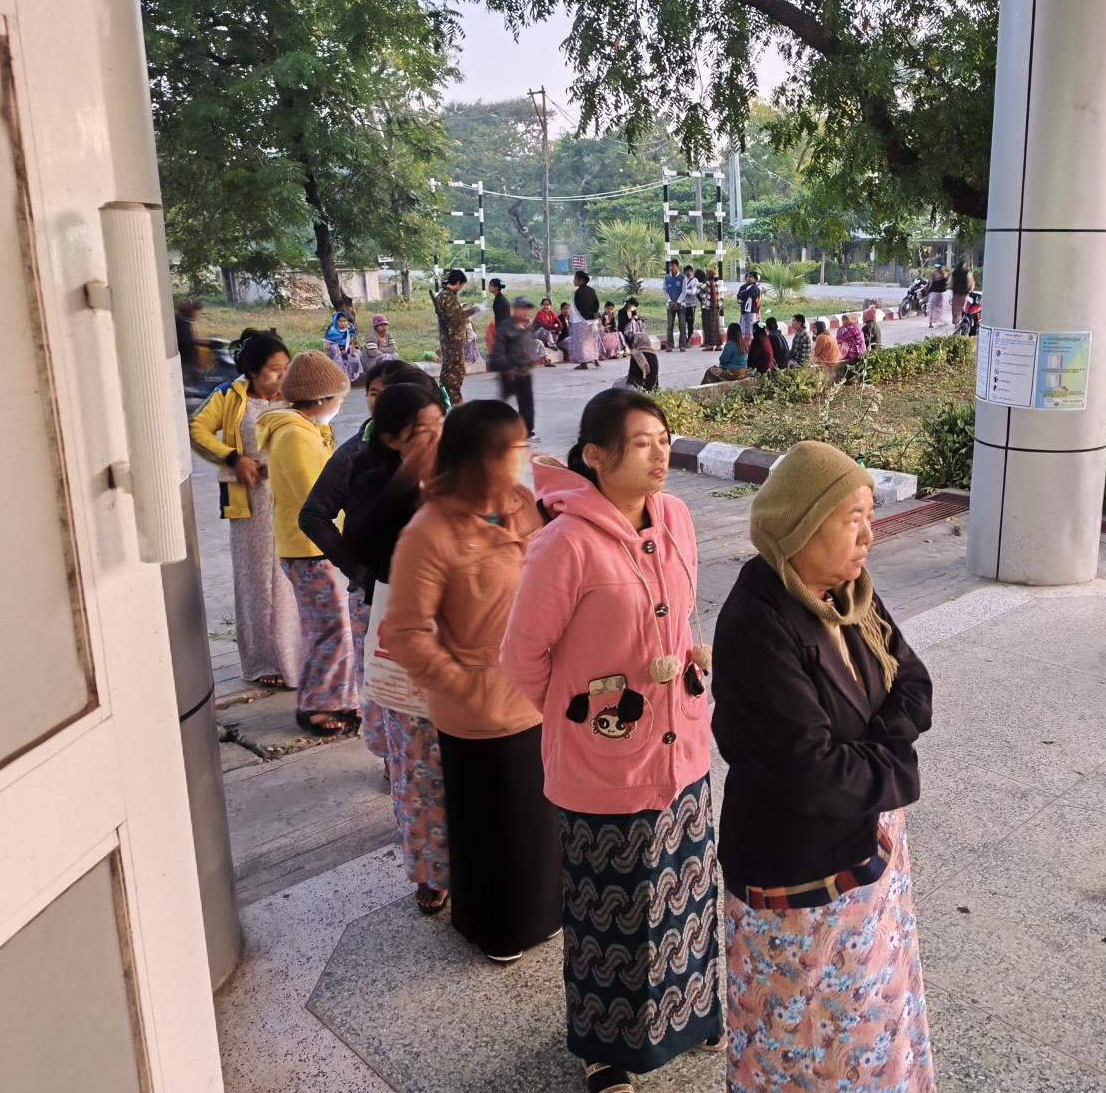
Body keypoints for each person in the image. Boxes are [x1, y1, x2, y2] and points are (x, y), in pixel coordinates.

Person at [501, 390, 721, 1093]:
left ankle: (691, 1013)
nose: (661, 453)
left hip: (682, 748)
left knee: (685, 894)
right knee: (612, 913)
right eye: (642, 442)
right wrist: (584, 715)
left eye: (664, 438)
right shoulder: (564, 543)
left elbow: (679, 617)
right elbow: (522, 657)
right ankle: (607, 1051)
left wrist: (687, 663)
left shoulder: (677, 517)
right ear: (596, 456)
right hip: (605, 765)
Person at [713, 441, 936, 1092]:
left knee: (872, 1021)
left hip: (865, 846)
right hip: (799, 876)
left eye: (871, 515)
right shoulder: (758, 621)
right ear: (800, 525)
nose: (869, 535)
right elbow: (811, 771)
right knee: (804, 1044)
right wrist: (894, 763)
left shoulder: (849, 593)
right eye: (852, 519)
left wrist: (878, 751)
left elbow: (913, 683)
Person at [388, 399, 562, 959]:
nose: (520, 456)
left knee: (538, 822)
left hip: (536, 694)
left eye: (521, 444)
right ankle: (498, 930)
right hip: (479, 715)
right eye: (508, 449)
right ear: (474, 457)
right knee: (494, 828)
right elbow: (405, 631)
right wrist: (464, 684)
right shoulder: (430, 531)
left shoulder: (521, 504)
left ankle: (545, 913)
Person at [341, 384, 449, 915]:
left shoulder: (459, 471)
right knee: (418, 761)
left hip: (463, 637)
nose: (435, 439)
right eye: (421, 433)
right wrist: (411, 476)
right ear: (390, 439)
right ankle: (430, 870)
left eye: (439, 426)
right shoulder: (371, 476)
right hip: (406, 638)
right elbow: (360, 542)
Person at [300, 360, 440, 757]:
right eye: (375, 395)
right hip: (380, 602)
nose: (379, 405)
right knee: (395, 703)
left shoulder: (450, 460)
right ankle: (394, 766)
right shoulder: (360, 457)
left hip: (434, 616)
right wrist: (358, 570)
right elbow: (315, 516)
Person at [189, 329, 301, 691]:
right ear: (252, 372)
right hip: (251, 502)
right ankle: (264, 660)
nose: (282, 375)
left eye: (286, 367)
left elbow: (322, 433)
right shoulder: (229, 395)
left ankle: (297, 656)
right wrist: (233, 458)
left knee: (292, 577)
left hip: (291, 498)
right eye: (274, 369)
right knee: (257, 581)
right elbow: (197, 430)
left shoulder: (295, 396)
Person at [257, 351, 358, 734]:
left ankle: (341, 698)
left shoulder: (305, 430)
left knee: (332, 626)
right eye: (339, 399)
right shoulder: (294, 436)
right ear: (320, 400)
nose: (340, 406)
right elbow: (314, 497)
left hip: (312, 547)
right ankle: (318, 704)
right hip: (309, 548)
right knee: (331, 629)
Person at [490, 296, 540, 440]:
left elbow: (525, 347)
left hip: (524, 372)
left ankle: (527, 432)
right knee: (504, 404)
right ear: (515, 309)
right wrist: (507, 368)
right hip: (510, 373)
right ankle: (495, 429)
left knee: (527, 403)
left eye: (526, 309)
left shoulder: (526, 326)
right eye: (521, 309)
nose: (524, 312)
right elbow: (498, 354)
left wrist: (529, 361)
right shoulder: (505, 328)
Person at [434, 269, 471, 404]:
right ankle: (455, 401)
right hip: (453, 341)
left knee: (447, 371)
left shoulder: (442, 295)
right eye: (461, 285)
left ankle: (443, 399)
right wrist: (474, 310)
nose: (461, 288)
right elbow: (455, 319)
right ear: (458, 282)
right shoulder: (448, 297)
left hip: (447, 340)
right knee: (456, 372)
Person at [570, 270, 603, 370]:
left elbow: (579, 307)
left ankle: (583, 363)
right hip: (593, 320)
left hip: (581, 320)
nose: (574, 281)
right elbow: (596, 304)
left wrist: (584, 316)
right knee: (592, 340)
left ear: (581, 280)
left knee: (580, 342)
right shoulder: (592, 290)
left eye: (575, 279)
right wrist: (593, 315)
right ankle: (596, 359)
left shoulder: (578, 292)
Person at [324, 311, 362, 381]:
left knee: (355, 353)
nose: (343, 323)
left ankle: (354, 377)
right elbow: (326, 346)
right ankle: (340, 375)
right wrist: (340, 349)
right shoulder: (331, 331)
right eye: (340, 321)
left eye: (344, 321)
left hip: (347, 349)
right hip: (335, 351)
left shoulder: (350, 329)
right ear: (336, 321)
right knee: (335, 349)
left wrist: (352, 347)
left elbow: (354, 341)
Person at [664, 260, 688, 351]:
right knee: (670, 325)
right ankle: (670, 345)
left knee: (682, 326)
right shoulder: (667, 278)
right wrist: (670, 301)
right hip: (670, 305)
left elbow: (684, 291)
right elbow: (665, 290)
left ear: (677, 266)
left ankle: (682, 345)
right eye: (670, 266)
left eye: (673, 266)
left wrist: (678, 302)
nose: (671, 268)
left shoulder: (683, 278)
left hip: (681, 305)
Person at [699, 271, 723, 351]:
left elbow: (698, 292)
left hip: (707, 308)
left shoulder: (706, 284)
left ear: (708, 276)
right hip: (715, 308)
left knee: (708, 327)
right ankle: (718, 345)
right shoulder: (716, 284)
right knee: (716, 327)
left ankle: (710, 345)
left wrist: (704, 298)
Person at [736, 269, 762, 341]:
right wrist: (742, 295)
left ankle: (750, 344)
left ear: (755, 279)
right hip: (744, 310)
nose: (748, 278)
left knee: (750, 329)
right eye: (747, 277)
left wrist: (743, 294)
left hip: (752, 311)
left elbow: (744, 295)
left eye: (750, 277)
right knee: (744, 327)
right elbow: (739, 296)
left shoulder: (754, 287)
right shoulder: (743, 287)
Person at [926, 263, 950, 329]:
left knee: (931, 308)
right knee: (939, 308)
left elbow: (929, 283)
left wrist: (928, 291)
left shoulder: (933, 274)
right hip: (939, 294)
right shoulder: (943, 274)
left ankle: (930, 323)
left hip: (932, 293)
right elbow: (946, 284)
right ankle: (940, 321)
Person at [950, 259, 972, 327]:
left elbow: (951, 282)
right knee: (962, 307)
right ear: (964, 265)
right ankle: (960, 322)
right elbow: (969, 282)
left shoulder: (954, 272)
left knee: (955, 307)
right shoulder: (967, 272)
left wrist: (952, 289)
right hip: (964, 292)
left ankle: (956, 321)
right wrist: (970, 289)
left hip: (956, 292)